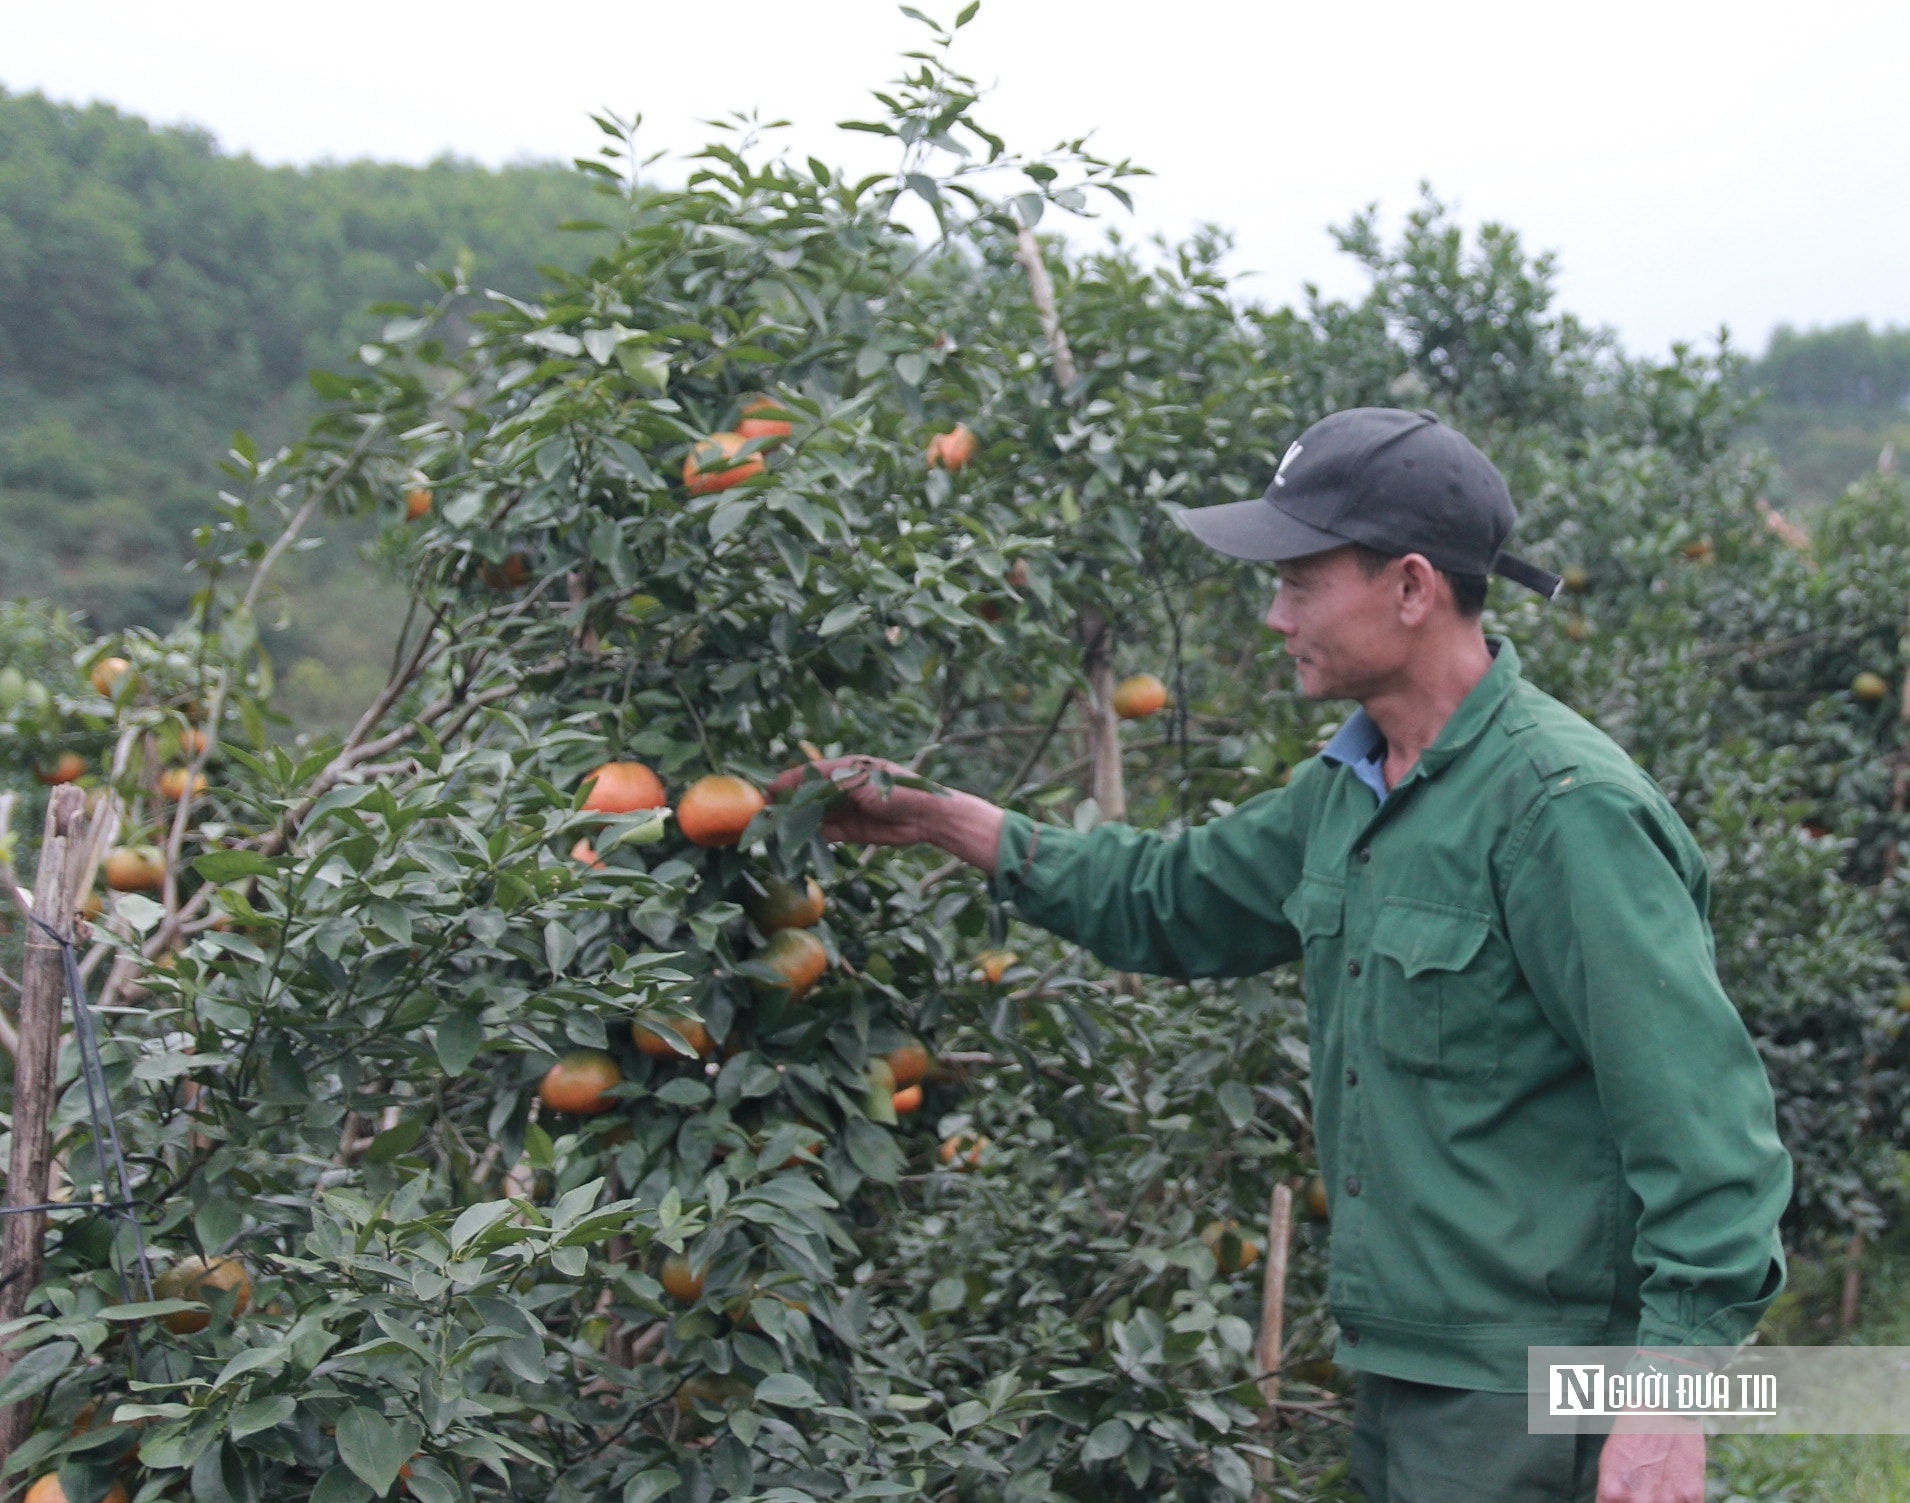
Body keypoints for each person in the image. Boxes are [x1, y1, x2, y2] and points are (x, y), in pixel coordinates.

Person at [784, 408, 1790, 1503]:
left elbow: (1700, 1121)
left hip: (1533, 1386)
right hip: (1406, 1360)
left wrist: (1672, 1398)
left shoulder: (1559, 809)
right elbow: (1169, 900)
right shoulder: (1351, 786)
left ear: (1410, 588)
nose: (1272, 616)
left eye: (1300, 582)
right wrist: (944, 822)